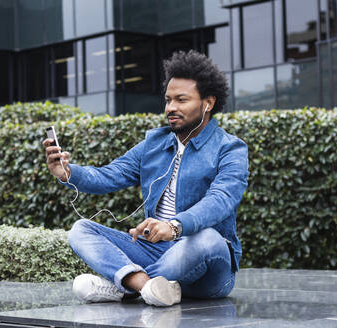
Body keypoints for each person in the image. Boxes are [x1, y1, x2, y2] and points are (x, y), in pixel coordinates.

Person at [43, 50, 249, 307]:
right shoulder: (155, 144)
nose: (171, 108)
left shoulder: (230, 148)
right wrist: (68, 172)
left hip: (207, 266)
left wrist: (174, 226)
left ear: (207, 103)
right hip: (155, 250)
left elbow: (221, 200)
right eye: (168, 100)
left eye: (181, 100)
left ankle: (124, 287)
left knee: (207, 239)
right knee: (81, 230)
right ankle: (146, 285)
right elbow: (112, 174)